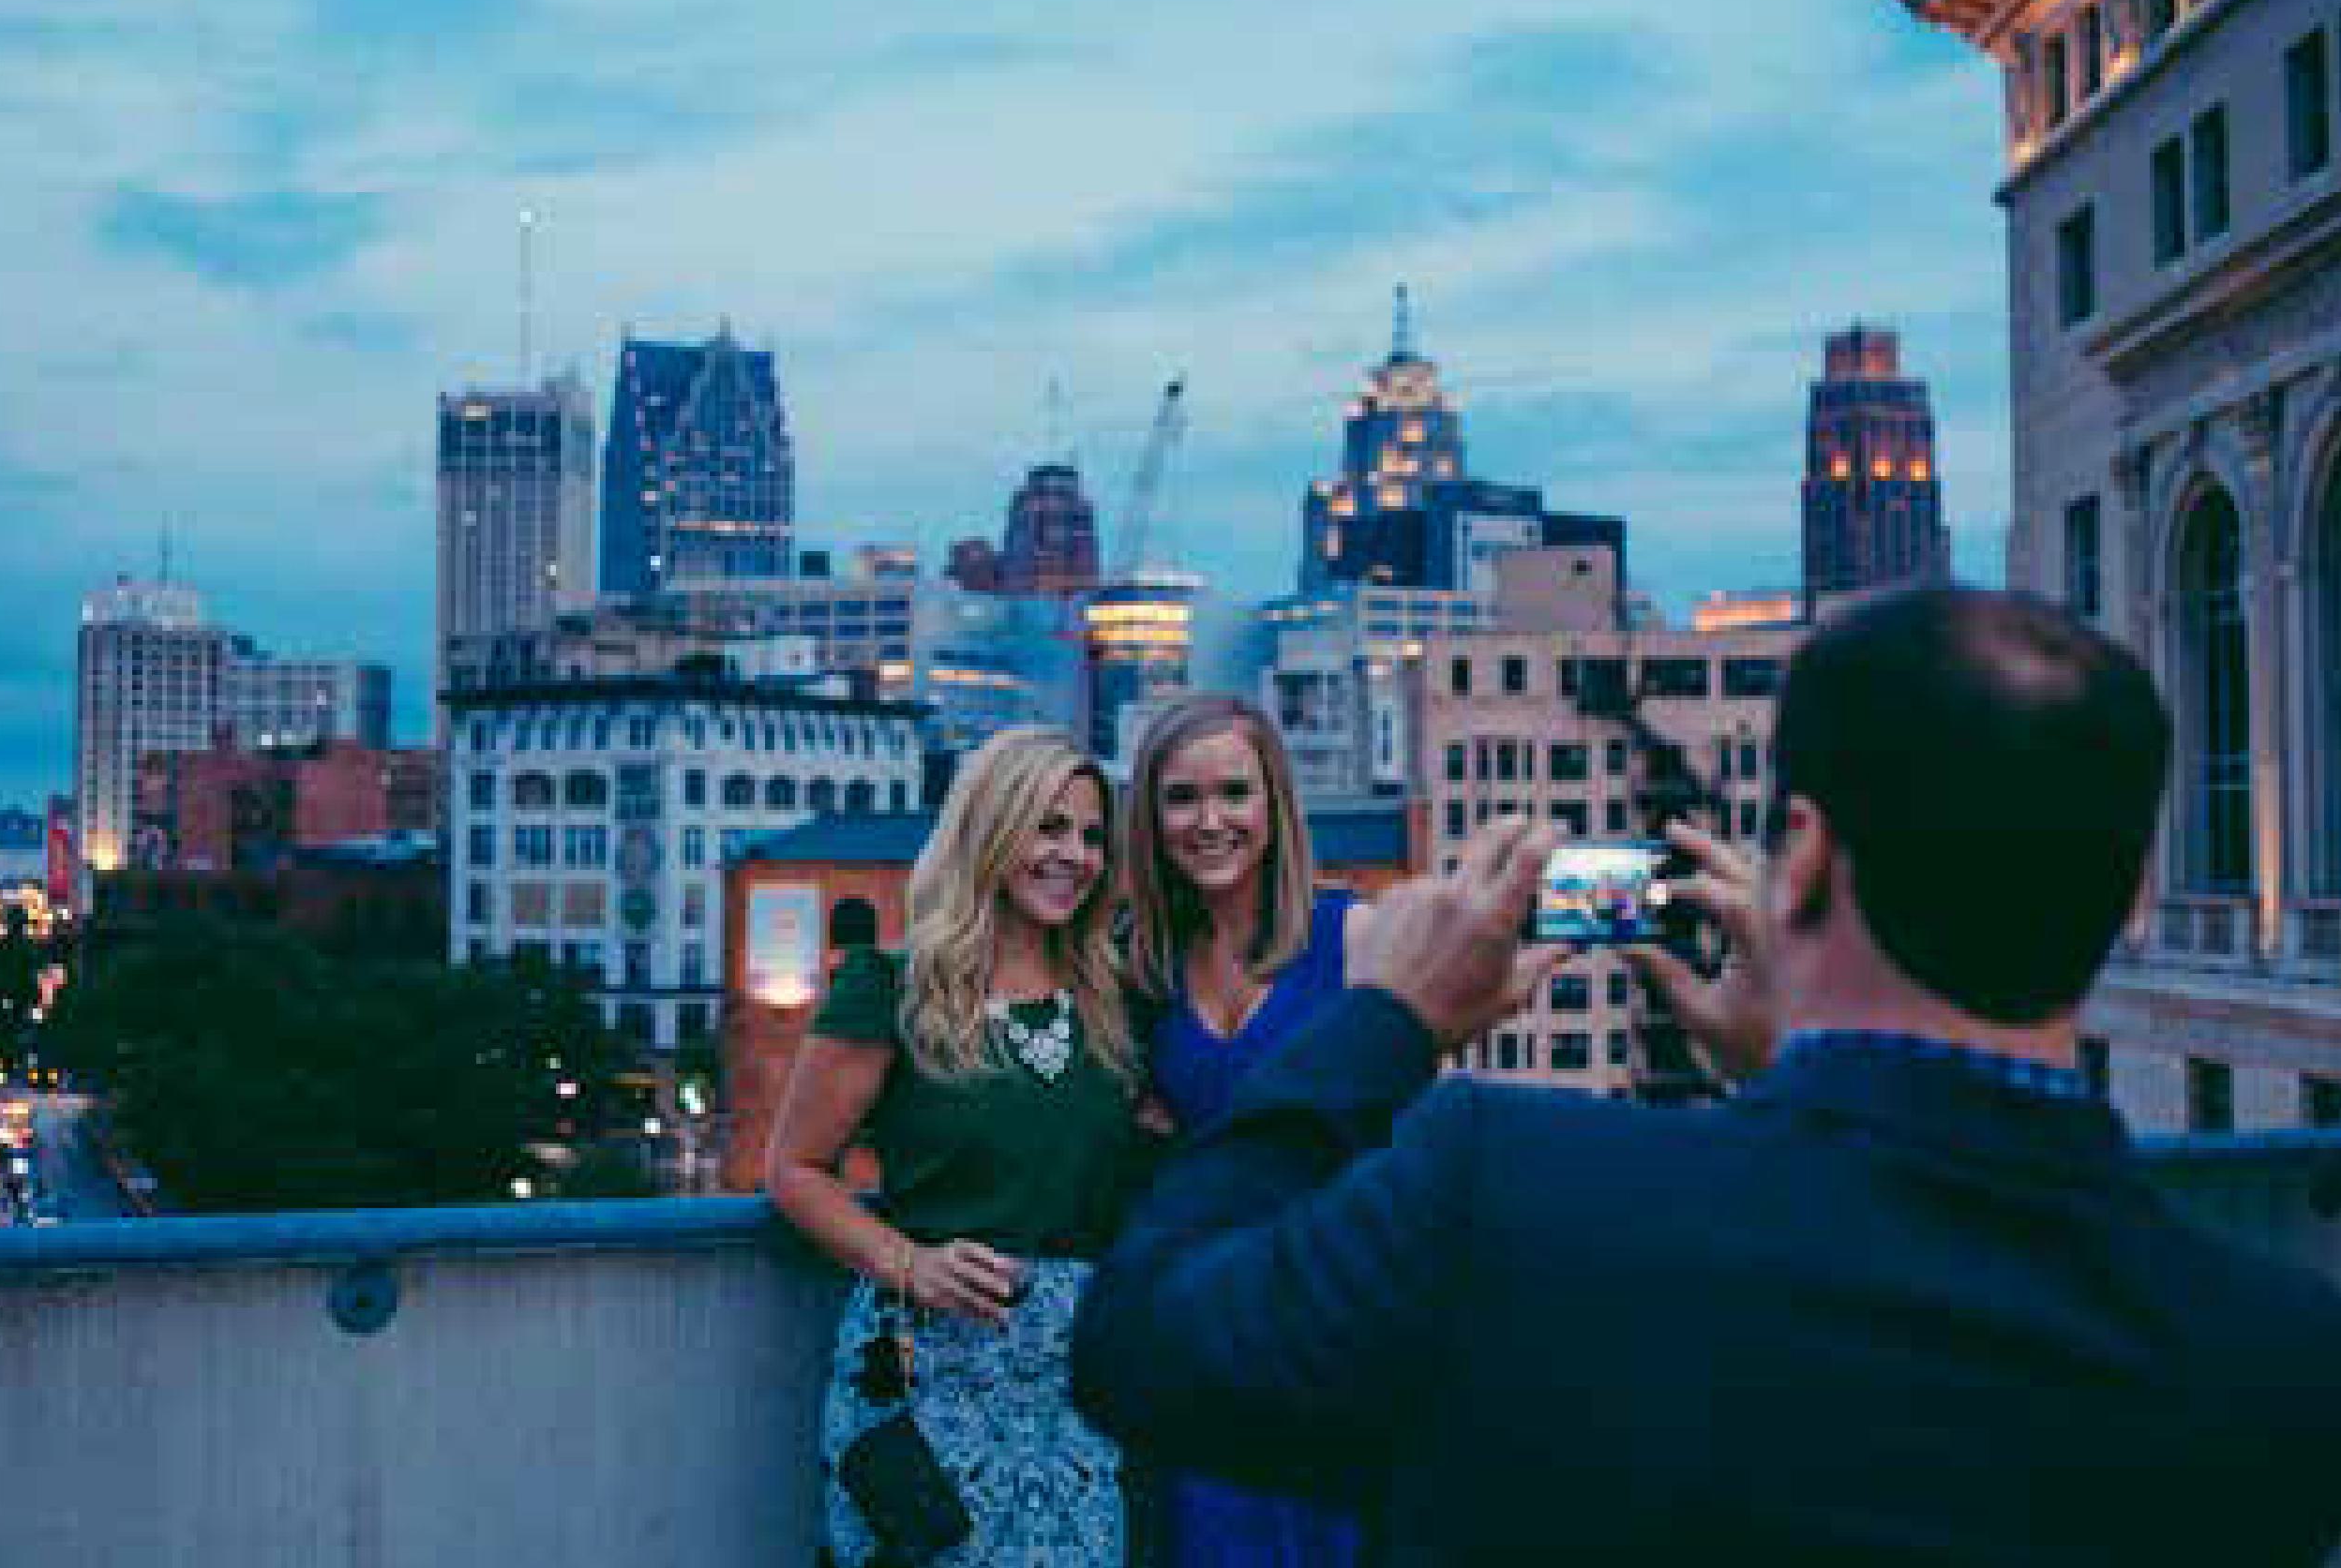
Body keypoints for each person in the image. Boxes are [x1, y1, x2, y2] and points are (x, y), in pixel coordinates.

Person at [1072, 587, 2341, 1564]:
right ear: (2126, 898)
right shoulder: (2279, 1368)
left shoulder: (1508, 1190)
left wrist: (1388, 1025)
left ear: (1800, 858)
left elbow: (1144, 1350)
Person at [769, 726, 1150, 1566]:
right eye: (1049, 827)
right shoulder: (894, 986)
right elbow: (794, 1170)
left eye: (1090, 836)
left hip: (1076, 1387)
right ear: (991, 827)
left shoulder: (1113, 996)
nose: (1075, 856)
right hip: (930, 1373)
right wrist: (911, 1264)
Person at [1122, 694, 1367, 1568]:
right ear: (1151, 818)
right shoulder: (1143, 966)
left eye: (1235, 792)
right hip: (1206, 1338)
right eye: (1182, 798)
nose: (1210, 820)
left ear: (1275, 806)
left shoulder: (1355, 939)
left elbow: (1420, 1145)